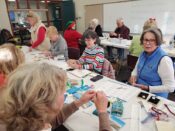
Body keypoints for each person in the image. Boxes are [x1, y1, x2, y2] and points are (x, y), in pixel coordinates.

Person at [0, 63, 111, 131]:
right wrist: (102, 111)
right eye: (63, 92)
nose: (65, 94)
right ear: (44, 104)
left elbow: (51, 120)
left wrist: (79, 102)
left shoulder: (32, 122)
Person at [129, 28, 175, 98]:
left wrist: (148, 88)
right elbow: (136, 69)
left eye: (152, 40)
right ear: (142, 41)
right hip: (140, 90)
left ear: (158, 42)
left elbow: (171, 87)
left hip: (155, 96)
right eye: (145, 40)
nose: (147, 43)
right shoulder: (143, 53)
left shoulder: (164, 60)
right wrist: (133, 75)